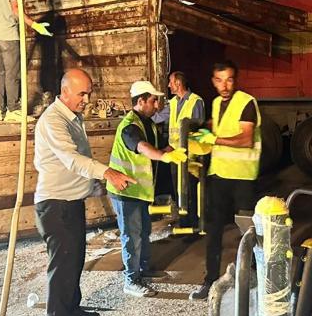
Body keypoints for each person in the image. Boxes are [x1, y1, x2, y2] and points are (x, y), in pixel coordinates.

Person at [34, 68, 135, 316]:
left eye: (88, 92)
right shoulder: (53, 121)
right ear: (65, 92)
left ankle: (72, 309)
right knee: (62, 267)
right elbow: (72, 159)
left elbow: (82, 160)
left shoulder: (73, 118)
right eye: (82, 93)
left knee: (75, 260)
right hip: (54, 205)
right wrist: (108, 173)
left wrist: (94, 187)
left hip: (71, 202)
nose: (87, 98)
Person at [189, 61, 261, 301]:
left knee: (247, 232)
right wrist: (202, 128)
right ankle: (210, 280)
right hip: (218, 174)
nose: (225, 85)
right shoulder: (217, 102)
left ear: (236, 79)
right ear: (213, 81)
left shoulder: (247, 102)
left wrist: (213, 139)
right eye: (219, 80)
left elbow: (246, 139)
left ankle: (251, 281)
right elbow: (218, 127)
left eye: (229, 79)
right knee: (214, 229)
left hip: (242, 177)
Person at [108, 81, 187, 298]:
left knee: (143, 232)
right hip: (125, 192)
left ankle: (144, 270)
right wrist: (164, 156)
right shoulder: (129, 126)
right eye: (153, 100)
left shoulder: (148, 124)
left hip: (139, 192)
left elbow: (163, 146)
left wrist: (187, 145)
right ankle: (131, 280)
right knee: (131, 236)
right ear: (140, 101)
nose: (157, 104)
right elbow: (143, 148)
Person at [153, 71, 205, 228]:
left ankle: (194, 222)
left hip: (191, 154)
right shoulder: (173, 103)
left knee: (190, 188)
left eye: (170, 82)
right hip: (175, 154)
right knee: (178, 188)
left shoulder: (196, 101)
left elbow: (198, 127)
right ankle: (183, 221)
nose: (168, 85)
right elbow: (157, 118)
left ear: (178, 84)